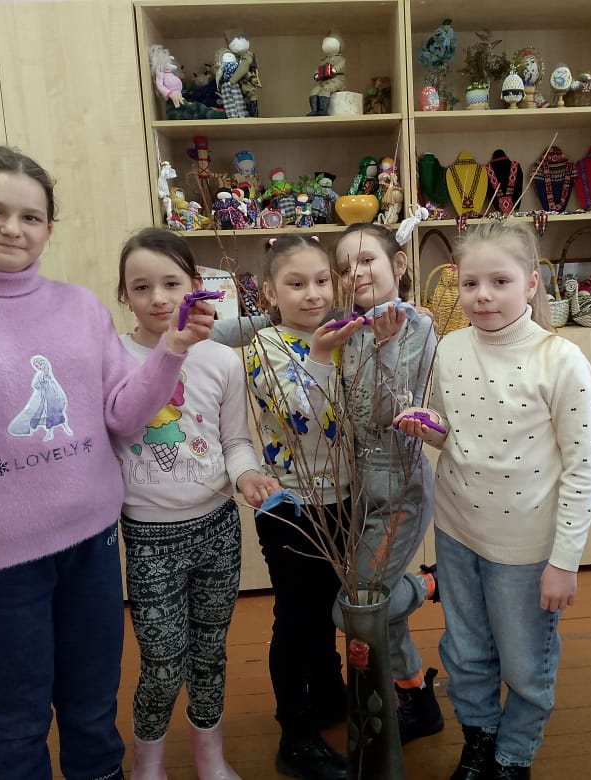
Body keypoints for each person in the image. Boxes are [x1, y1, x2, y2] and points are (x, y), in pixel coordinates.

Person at [0, 146, 216, 780]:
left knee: (93, 705)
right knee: (18, 715)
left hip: (92, 544)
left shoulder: (81, 307)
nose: (12, 228)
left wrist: (171, 349)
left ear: (48, 229)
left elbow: (122, 417)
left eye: (30, 216)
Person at [396, 221, 591, 780]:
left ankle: (513, 757)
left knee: (525, 662)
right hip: (457, 531)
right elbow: (452, 431)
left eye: (500, 282)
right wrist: (425, 427)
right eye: (470, 284)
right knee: (465, 651)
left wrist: (565, 561)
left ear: (531, 283)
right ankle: (479, 740)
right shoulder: (450, 348)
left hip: (526, 548)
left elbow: (583, 468)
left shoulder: (561, 360)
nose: (482, 296)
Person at [113, 227, 281, 780]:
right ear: (124, 295)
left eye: (171, 283)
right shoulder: (112, 357)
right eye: (141, 287)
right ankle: (148, 764)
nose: (158, 298)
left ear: (194, 286)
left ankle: (210, 756)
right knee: (162, 665)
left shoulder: (222, 361)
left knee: (210, 655)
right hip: (148, 536)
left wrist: (247, 474)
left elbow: (235, 441)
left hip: (216, 528)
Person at [245, 234, 362, 780]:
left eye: (321, 281)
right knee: (297, 617)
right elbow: (300, 416)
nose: (313, 294)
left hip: (344, 496)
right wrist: (318, 354)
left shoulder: (344, 336)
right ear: (271, 293)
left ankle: (330, 697)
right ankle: (295, 732)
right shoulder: (264, 346)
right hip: (291, 504)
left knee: (330, 606)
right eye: (296, 284)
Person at [329, 223, 443, 744]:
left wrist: (388, 345)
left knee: (355, 609)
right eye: (344, 267)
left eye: (366, 260)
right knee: (378, 603)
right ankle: (414, 694)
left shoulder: (418, 328)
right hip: (357, 488)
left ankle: (429, 585)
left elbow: (389, 413)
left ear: (398, 264)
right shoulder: (345, 325)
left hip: (400, 490)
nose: (355, 274)